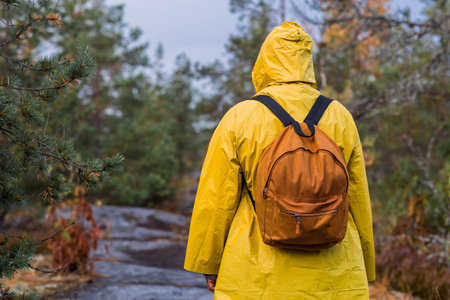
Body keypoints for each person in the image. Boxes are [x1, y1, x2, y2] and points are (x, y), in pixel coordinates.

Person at [184, 21, 375, 299]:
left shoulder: (241, 116)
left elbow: (215, 199)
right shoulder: (339, 115)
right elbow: (358, 197)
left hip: (255, 272)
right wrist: (366, 263)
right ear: (308, 62)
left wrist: (208, 263)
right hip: (335, 271)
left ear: (266, 61)